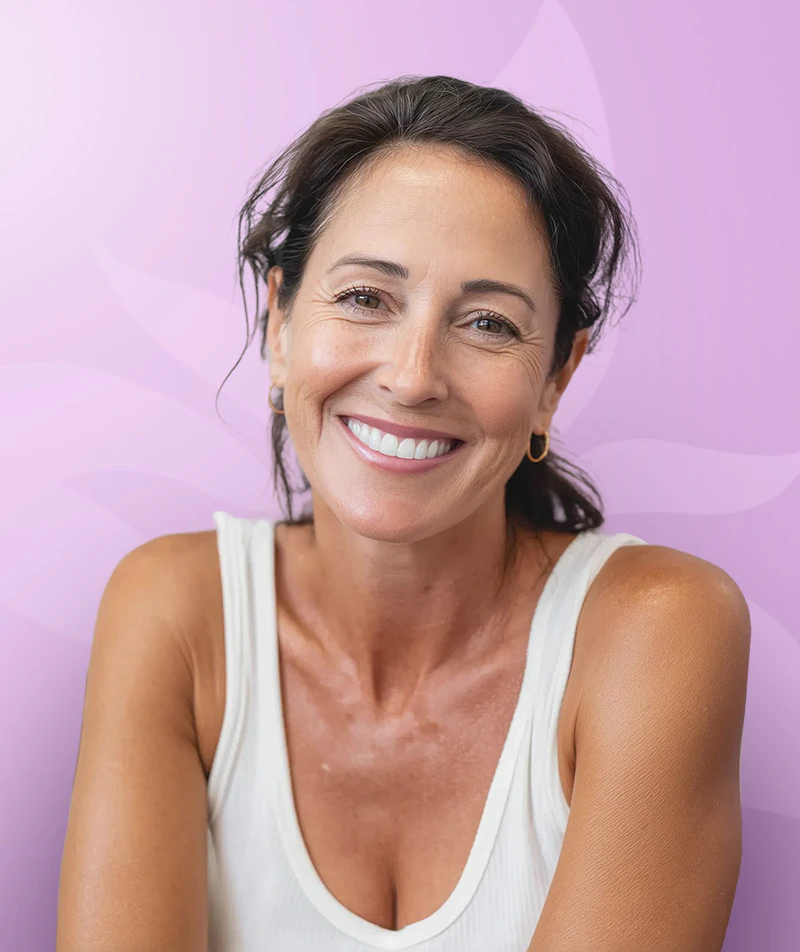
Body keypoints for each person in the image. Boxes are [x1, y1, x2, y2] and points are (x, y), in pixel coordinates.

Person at [56, 75, 751, 952]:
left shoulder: (655, 630)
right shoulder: (174, 614)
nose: (414, 374)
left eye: (490, 323)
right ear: (278, 324)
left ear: (557, 379)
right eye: (364, 298)